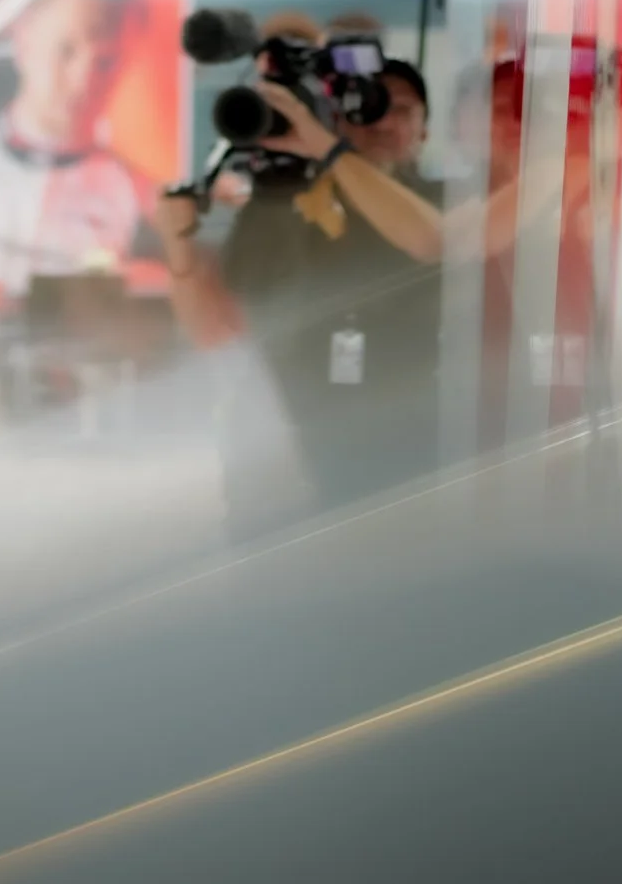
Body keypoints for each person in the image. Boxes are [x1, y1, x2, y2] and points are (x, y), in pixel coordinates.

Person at [160, 56, 444, 541]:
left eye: (399, 109)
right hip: (289, 461)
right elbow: (220, 326)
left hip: (406, 460)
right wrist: (179, 245)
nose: (380, 121)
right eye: (362, 108)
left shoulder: (440, 205)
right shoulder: (285, 203)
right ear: (335, 121)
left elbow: (432, 241)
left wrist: (333, 157)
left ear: (424, 131)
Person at [0, 0, 166, 425]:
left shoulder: (137, 196)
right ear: (24, 39)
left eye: (107, 61)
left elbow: (153, 329)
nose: (83, 79)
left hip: (75, 419)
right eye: (67, 49)